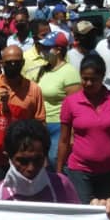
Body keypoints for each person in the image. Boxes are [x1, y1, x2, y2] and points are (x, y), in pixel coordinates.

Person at [56, 53, 110, 203]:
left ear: (103, 77)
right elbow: (64, 140)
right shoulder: (71, 102)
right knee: (83, 214)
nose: (88, 83)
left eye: (93, 80)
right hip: (79, 170)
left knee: (108, 214)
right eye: (85, 78)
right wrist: (58, 172)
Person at [29, 32, 81, 167]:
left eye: (47, 48)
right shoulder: (43, 70)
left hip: (60, 125)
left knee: (55, 161)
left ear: (58, 50)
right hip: (42, 124)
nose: (43, 51)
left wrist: (71, 135)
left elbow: (76, 107)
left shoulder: (70, 72)